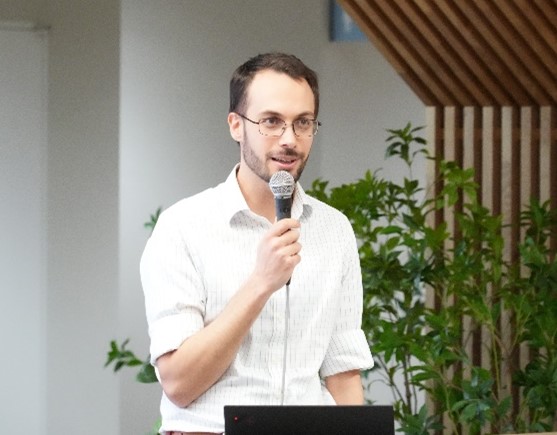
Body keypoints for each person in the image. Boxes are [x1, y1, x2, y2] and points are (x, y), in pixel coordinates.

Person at [140, 52, 374, 435]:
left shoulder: (334, 229)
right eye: (271, 122)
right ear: (236, 125)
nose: (289, 139)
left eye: (303, 123)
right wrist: (261, 282)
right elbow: (179, 384)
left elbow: (342, 371)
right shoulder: (182, 227)